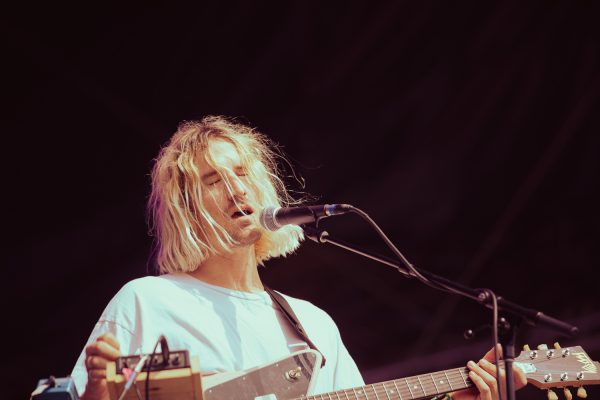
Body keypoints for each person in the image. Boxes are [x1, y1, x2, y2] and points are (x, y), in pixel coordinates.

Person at [72, 116, 527, 400]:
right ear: (186, 209)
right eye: (213, 180)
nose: (236, 189)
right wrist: (96, 391)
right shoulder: (148, 301)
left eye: (242, 173)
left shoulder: (313, 324)